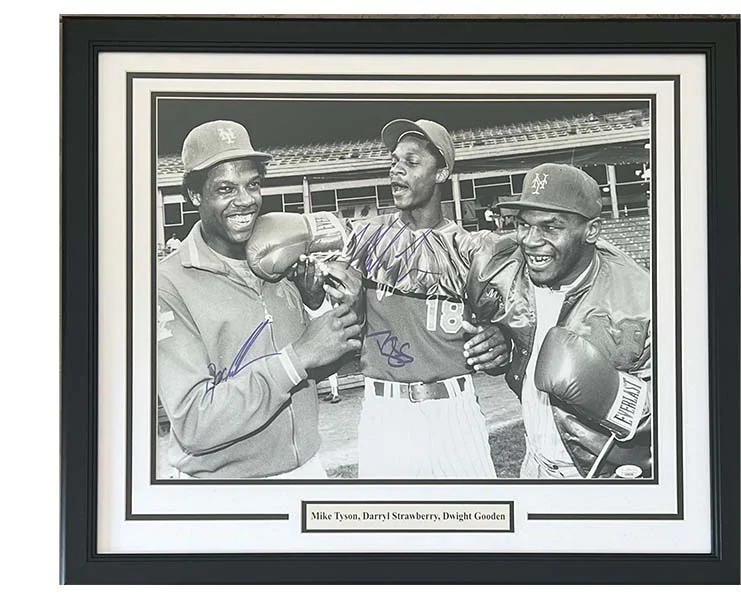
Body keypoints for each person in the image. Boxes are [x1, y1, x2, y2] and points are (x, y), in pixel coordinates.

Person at [157, 120, 362, 479]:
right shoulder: (167, 283)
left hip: (306, 470)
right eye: (225, 189)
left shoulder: (277, 257)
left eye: (252, 184)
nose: (245, 200)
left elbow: (314, 368)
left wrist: (318, 308)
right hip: (226, 490)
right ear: (193, 195)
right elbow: (194, 422)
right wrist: (297, 357)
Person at [340, 118, 509, 479]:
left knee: (474, 527)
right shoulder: (365, 239)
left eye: (412, 162)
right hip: (386, 414)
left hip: (454, 410)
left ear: (441, 173)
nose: (397, 171)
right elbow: (349, 326)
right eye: (393, 162)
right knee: (390, 532)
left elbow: (501, 338)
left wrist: (501, 341)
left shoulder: (472, 250)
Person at [466, 163, 652, 479]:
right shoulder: (508, 272)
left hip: (599, 476)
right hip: (533, 465)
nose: (530, 240)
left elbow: (688, 415)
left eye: (551, 228)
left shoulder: (642, 302)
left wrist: (611, 395)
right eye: (523, 224)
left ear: (591, 230)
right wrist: (503, 347)